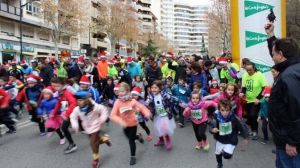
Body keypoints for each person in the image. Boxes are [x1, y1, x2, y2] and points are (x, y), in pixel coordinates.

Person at [265, 22, 300, 167]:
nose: (272, 56)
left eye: (273, 53)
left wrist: (292, 142)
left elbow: (296, 112)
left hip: (289, 142)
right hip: (285, 138)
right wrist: (270, 35)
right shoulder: (291, 67)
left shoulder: (289, 77)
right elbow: (277, 51)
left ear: (280, 55)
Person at [110, 82, 151, 165]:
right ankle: (138, 136)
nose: (120, 93)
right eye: (119, 91)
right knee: (130, 137)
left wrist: (147, 112)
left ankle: (133, 156)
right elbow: (112, 115)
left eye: (122, 91)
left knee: (131, 140)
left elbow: (142, 107)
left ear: (128, 91)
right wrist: (120, 121)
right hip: (124, 124)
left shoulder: (132, 101)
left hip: (133, 123)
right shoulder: (117, 102)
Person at [71, 91, 111, 168]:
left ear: (87, 100)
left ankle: (96, 160)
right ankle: (104, 139)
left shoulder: (95, 107)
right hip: (87, 128)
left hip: (95, 126)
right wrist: (75, 125)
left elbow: (104, 110)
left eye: (81, 100)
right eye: (78, 100)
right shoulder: (77, 109)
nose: (78, 102)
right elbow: (73, 117)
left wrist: (102, 119)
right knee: (96, 141)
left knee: (93, 143)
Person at [145, 80, 185, 150]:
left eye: (156, 88)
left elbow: (175, 99)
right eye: (152, 88)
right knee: (158, 128)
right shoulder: (150, 96)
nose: (153, 89)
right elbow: (146, 103)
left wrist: (185, 105)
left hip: (165, 115)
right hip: (157, 115)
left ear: (160, 88)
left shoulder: (165, 95)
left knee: (164, 129)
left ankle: (168, 140)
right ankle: (161, 140)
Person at [210, 99, 248, 168]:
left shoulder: (234, 118)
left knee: (227, 156)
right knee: (218, 154)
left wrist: (245, 137)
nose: (225, 112)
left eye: (227, 110)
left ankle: (228, 153)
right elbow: (211, 126)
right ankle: (220, 164)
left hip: (231, 140)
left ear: (230, 110)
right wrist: (212, 130)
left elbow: (241, 127)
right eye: (222, 110)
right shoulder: (216, 117)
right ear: (219, 110)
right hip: (220, 139)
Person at [50, 77, 77, 154]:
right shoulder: (60, 93)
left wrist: (67, 113)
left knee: (87, 128)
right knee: (64, 128)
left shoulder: (66, 92)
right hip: (68, 113)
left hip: (73, 112)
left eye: (57, 86)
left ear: (63, 85)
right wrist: (53, 113)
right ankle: (72, 144)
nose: (55, 88)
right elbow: (59, 103)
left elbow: (73, 103)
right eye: (54, 86)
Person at [241, 62, 267, 140]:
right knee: (249, 116)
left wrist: (258, 98)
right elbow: (244, 87)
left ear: (254, 68)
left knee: (253, 115)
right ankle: (252, 130)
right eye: (247, 70)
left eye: (250, 70)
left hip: (256, 100)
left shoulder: (259, 75)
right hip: (247, 100)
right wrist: (242, 93)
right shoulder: (245, 75)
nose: (248, 72)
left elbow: (264, 88)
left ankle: (255, 131)